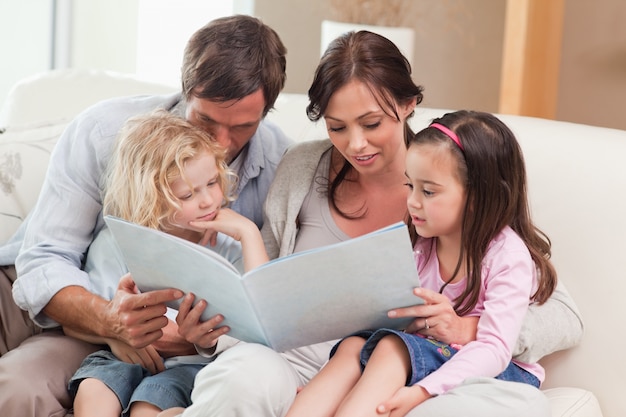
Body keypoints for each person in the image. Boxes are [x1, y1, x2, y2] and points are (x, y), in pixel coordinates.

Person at [173, 31, 582, 417]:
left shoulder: (453, 179)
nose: (356, 144)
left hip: (397, 366)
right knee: (242, 378)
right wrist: (210, 333)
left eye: (371, 124)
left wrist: (469, 327)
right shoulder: (300, 169)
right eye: (336, 127)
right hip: (300, 364)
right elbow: (261, 298)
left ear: (408, 104)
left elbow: (561, 314)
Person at [0, 14, 290, 416]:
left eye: (243, 127)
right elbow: (47, 260)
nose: (220, 144)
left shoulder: (281, 166)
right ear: (186, 92)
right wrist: (112, 324)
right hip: (79, 311)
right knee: (17, 388)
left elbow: (269, 305)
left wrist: (193, 341)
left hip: (192, 354)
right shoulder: (104, 132)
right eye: (205, 120)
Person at [284, 110, 558, 417]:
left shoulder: (507, 256)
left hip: (493, 368)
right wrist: (330, 385)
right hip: (422, 352)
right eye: (410, 186)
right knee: (354, 345)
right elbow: (385, 320)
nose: (413, 201)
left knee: (392, 347)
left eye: (428, 191)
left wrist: (423, 391)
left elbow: (494, 349)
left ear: (478, 198)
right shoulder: (419, 242)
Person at [67, 110, 268, 417]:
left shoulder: (228, 247)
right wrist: (114, 329)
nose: (208, 201)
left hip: (192, 366)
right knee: (95, 385)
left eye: (213, 182)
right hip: (126, 356)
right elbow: (87, 320)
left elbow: (261, 315)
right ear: (150, 197)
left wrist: (248, 233)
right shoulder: (119, 242)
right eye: (188, 194)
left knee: (152, 401)